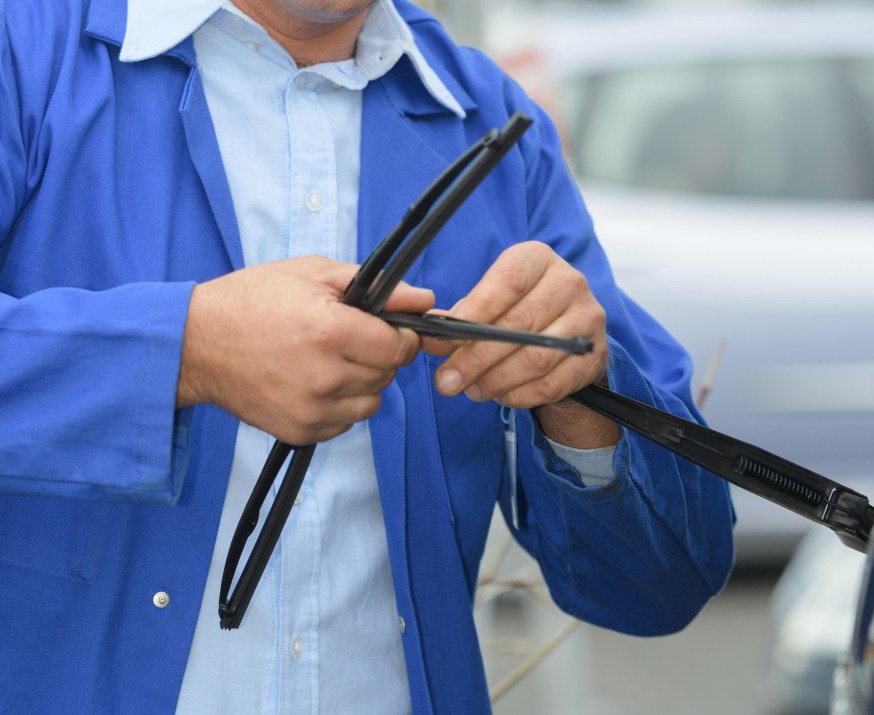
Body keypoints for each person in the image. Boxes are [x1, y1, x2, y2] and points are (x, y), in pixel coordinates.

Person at [0, 0, 735, 712]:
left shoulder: (490, 125)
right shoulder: (26, 53)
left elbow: (664, 581)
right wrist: (188, 349)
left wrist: (577, 398)